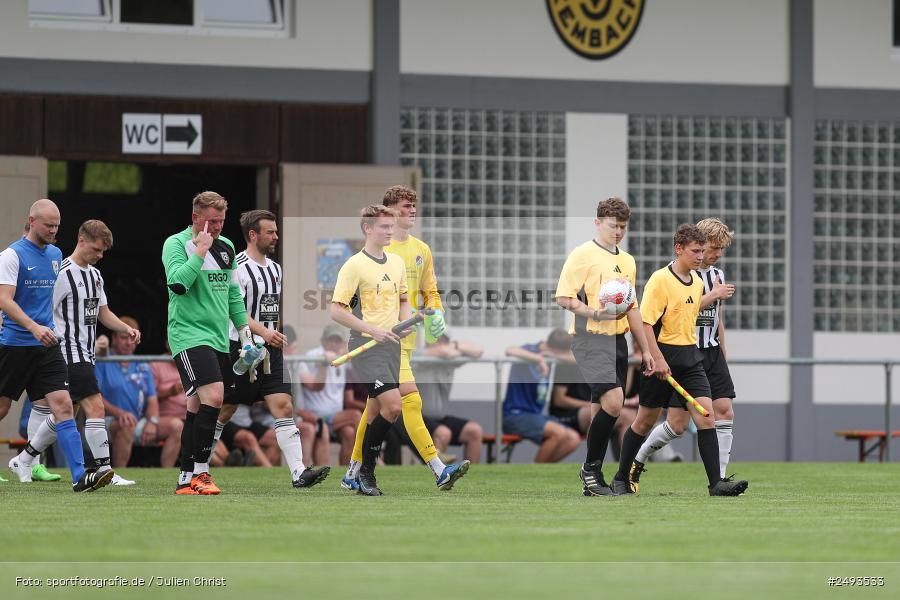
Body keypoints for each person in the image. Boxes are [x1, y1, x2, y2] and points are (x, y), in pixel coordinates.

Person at [342, 186, 469, 492]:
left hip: (406, 339)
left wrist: (436, 314)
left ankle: (352, 472)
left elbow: (430, 290)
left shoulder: (420, 249)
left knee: (375, 409)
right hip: (382, 341)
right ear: (389, 210)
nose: (412, 210)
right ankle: (438, 468)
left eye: (414, 206)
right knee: (409, 401)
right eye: (406, 206)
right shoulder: (377, 251)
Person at [611, 224, 748, 496]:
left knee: (706, 416)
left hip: (691, 359)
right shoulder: (660, 280)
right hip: (660, 359)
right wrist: (656, 358)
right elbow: (646, 323)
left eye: (702, 251)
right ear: (679, 249)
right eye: (695, 251)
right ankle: (621, 476)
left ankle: (716, 484)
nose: (700, 257)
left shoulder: (697, 282)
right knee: (644, 421)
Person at [209, 209, 329, 488]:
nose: (276, 236)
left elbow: (268, 311)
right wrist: (264, 332)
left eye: (276, 231)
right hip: (239, 347)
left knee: (284, 406)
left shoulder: (275, 269)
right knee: (224, 410)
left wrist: (271, 333)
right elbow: (232, 309)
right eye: (270, 232)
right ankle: (198, 466)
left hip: (269, 351)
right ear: (253, 235)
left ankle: (299, 472)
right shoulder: (236, 266)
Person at [3, 199, 111, 491]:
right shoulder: (11, 255)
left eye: (57, 225)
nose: (53, 230)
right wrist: (33, 326)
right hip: (16, 343)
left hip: (48, 345)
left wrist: (45, 328)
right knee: (2, 409)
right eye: (49, 225)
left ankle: (80, 476)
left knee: (63, 405)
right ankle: (27, 460)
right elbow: (4, 299)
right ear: (31, 221)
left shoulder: (55, 254)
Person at [554, 197, 654, 496]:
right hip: (588, 338)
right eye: (613, 226)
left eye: (623, 227)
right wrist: (595, 312)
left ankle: (592, 480)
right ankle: (590, 471)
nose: (618, 232)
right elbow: (563, 297)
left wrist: (646, 349)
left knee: (601, 409)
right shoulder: (582, 255)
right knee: (614, 402)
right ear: (598, 222)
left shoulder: (627, 261)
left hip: (617, 341)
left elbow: (633, 307)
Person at [163, 191, 255, 495]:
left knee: (196, 405)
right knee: (215, 396)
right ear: (195, 218)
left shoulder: (227, 247)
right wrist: (199, 251)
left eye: (220, 221)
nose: (216, 228)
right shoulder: (176, 244)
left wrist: (244, 333)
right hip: (188, 335)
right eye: (211, 221)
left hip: (217, 338)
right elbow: (178, 284)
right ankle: (202, 473)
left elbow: (232, 294)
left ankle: (185, 477)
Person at [331, 204, 414, 496]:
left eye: (392, 226)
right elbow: (336, 311)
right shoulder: (353, 265)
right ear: (368, 229)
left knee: (374, 415)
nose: (390, 231)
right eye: (384, 227)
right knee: (393, 407)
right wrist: (372, 329)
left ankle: (355, 474)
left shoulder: (396, 263)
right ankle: (367, 473)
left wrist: (405, 321)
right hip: (366, 347)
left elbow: (403, 299)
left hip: (392, 346)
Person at [97, 317, 183, 468]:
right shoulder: (102, 360)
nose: (128, 343)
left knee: (177, 425)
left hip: (138, 420)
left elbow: (152, 399)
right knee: (127, 424)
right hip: (106, 421)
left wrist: (152, 422)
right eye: (123, 338)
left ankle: (167, 476)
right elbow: (95, 397)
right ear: (114, 339)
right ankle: (118, 475)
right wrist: (120, 413)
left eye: (132, 338)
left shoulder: (142, 364)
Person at [503, 329, 582, 463]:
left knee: (573, 439)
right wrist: (538, 359)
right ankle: (533, 472)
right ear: (557, 349)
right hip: (515, 415)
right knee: (559, 433)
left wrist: (553, 356)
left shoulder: (552, 355)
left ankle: (542, 471)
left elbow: (578, 359)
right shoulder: (531, 350)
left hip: (535, 415)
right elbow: (509, 350)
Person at [297, 323, 361, 466]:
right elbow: (316, 386)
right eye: (330, 339)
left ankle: (347, 474)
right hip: (315, 414)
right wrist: (324, 362)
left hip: (335, 417)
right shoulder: (314, 355)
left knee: (349, 433)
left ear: (342, 342)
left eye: (337, 340)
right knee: (356, 416)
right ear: (322, 340)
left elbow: (359, 358)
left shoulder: (342, 357)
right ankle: (366, 461)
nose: (333, 343)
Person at [418, 334, 485, 463]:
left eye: (445, 340)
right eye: (437, 338)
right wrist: (451, 349)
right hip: (415, 418)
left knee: (474, 431)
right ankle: (436, 475)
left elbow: (479, 350)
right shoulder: (419, 354)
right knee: (443, 433)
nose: (441, 343)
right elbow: (443, 351)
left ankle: (471, 479)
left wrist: (455, 346)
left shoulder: (449, 359)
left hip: (439, 418)